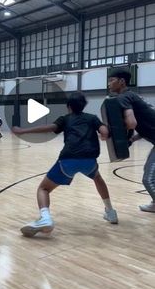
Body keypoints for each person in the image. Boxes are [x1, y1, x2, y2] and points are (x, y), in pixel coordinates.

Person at [12, 91, 118, 237]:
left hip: (69, 159)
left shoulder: (66, 119)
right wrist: (104, 134)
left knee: (43, 188)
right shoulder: (92, 118)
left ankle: (45, 218)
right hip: (89, 160)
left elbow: (49, 128)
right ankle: (110, 212)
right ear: (84, 106)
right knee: (97, 178)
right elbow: (104, 130)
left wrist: (23, 131)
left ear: (68, 106)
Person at [108, 68, 155, 212]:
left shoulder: (123, 98)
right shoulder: (133, 95)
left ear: (122, 82)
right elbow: (147, 123)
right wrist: (133, 139)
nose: (109, 84)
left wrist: (120, 134)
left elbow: (132, 123)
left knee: (148, 179)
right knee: (149, 172)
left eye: (111, 80)